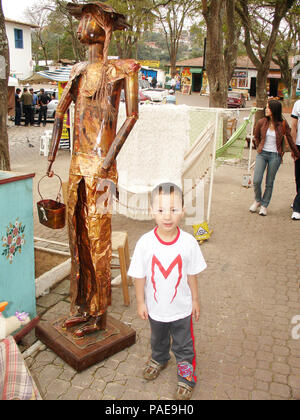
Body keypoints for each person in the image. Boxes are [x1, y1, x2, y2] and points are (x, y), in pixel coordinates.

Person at [46, 1, 139, 338]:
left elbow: (131, 116)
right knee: (78, 238)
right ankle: (82, 306)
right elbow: (59, 113)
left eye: (92, 19)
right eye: (83, 19)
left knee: (98, 239)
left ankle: (100, 313)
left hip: (102, 171)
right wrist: (52, 155)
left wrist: (107, 160)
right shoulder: (77, 72)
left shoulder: (122, 70)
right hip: (76, 168)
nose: (84, 24)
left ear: (106, 28)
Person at [128, 183, 207, 400]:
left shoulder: (189, 243)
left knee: (184, 346)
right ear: (151, 211)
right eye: (161, 210)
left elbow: (192, 274)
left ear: (183, 210)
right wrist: (141, 303)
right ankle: (160, 358)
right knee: (158, 339)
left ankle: (186, 377)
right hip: (155, 310)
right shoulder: (145, 243)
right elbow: (139, 275)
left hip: (181, 310)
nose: (167, 216)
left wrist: (196, 301)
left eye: (173, 209)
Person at [249, 100, 300, 216]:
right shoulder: (261, 122)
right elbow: (256, 136)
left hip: (275, 156)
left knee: (269, 182)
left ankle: (264, 205)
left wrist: (296, 154)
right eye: (266, 107)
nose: (266, 109)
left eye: (268, 108)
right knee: (256, 180)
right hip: (262, 154)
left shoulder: (282, 124)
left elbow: (290, 139)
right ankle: (257, 200)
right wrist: (259, 147)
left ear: (274, 110)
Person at [291, 99, 300, 220]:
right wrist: (293, 147)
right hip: (299, 145)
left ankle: (297, 207)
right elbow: (293, 125)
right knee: (298, 176)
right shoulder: (298, 104)